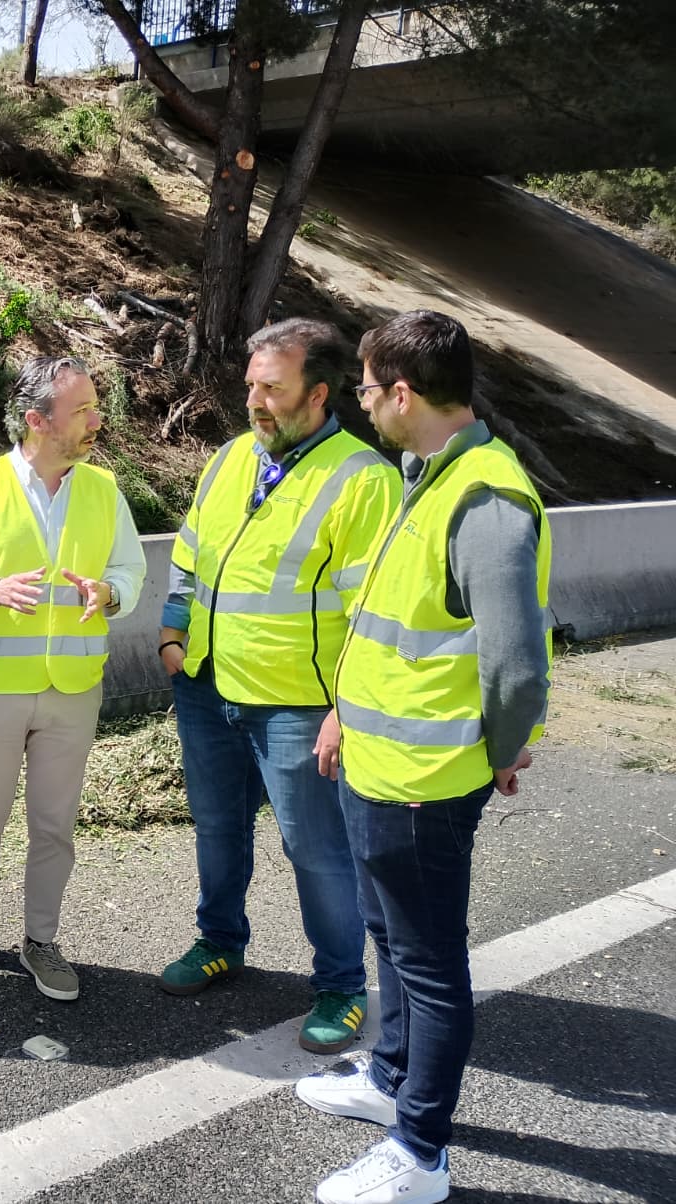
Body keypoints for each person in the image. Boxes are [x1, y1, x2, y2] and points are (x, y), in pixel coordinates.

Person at [297, 310, 551, 1204]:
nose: (364, 404)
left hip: (425, 785)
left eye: (366, 388)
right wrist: (340, 714)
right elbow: (390, 627)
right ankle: (389, 1078)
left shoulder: (485, 498)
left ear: (403, 393)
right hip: (377, 766)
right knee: (390, 941)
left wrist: (502, 750)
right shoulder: (426, 475)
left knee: (432, 966)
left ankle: (421, 1154)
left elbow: (517, 668)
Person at [157, 318, 401, 1053]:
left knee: (315, 850)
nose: (255, 401)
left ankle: (341, 987)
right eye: (251, 385)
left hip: (298, 704)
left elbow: (374, 613)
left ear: (319, 394)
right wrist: (173, 633)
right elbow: (191, 553)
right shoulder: (232, 456)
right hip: (207, 684)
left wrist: (344, 709)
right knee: (218, 829)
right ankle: (220, 941)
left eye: (272, 388)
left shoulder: (364, 480)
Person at [0, 356, 145, 1001]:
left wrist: (111, 592)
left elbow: (131, 571)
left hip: (73, 688)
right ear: (37, 421)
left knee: (54, 825)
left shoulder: (104, 489)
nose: (98, 419)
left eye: (95, 407)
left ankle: (41, 941)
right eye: (83, 410)